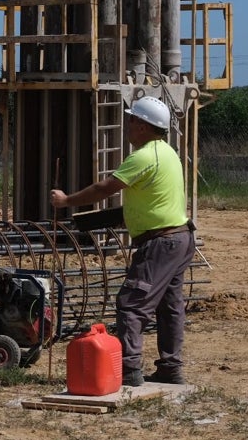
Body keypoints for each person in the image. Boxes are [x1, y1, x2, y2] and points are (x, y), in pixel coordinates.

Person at [49, 95, 195, 387]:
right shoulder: (167, 152)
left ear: (142, 126)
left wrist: (67, 201)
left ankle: (128, 370)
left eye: (131, 120)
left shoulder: (142, 156)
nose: (127, 125)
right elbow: (150, 199)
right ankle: (171, 367)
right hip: (180, 238)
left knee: (131, 304)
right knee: (169, 307)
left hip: (160, 243)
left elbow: (105, 188)